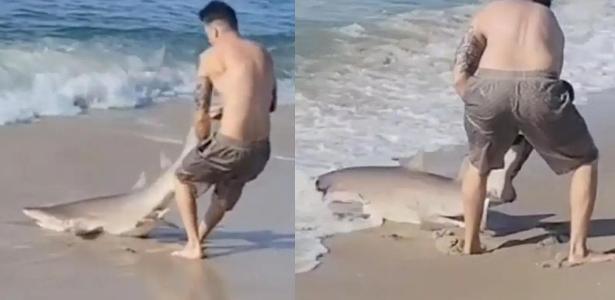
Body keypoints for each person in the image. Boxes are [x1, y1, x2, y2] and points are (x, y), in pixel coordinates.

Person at [453, 0, 615, 266]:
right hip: (538, 86)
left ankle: (471, 243)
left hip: (489, 88)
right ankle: (577, 250)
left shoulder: (489, 11)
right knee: (585, 160)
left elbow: (460, 72)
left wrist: (472, 97)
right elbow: (553, 71)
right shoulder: (548, 17)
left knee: (478, 164)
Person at [172, 1, 276, 259]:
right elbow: (269, 104)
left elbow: (201, 116)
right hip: (261, 150)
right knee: (227, 188)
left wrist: (203, 139)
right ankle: (201, 238)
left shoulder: (210, 56)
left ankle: (193, 245)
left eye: (207, 33)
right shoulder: (263, 52)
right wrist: (226, 111)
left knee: (182, 179)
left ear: (215, 31)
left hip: (229, 144)